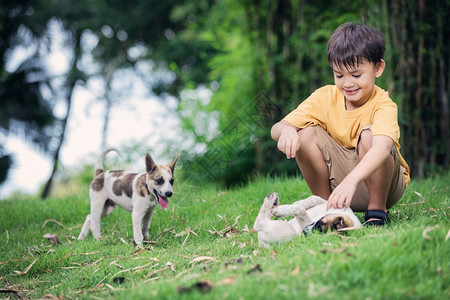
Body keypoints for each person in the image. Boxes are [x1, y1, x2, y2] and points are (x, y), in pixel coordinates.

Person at [270, 22, 410, 226]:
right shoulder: (325, 97)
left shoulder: (383, 104)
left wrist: (351, 181)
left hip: (384, 185)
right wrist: (288, 130)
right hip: (341, 186)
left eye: (356, 75)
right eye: (339, 75)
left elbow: (382, 148)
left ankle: (377, 212)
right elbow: (277, 128)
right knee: (304, 133)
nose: (348, 83)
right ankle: (327, 208)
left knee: (370, 136)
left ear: (378, 68)